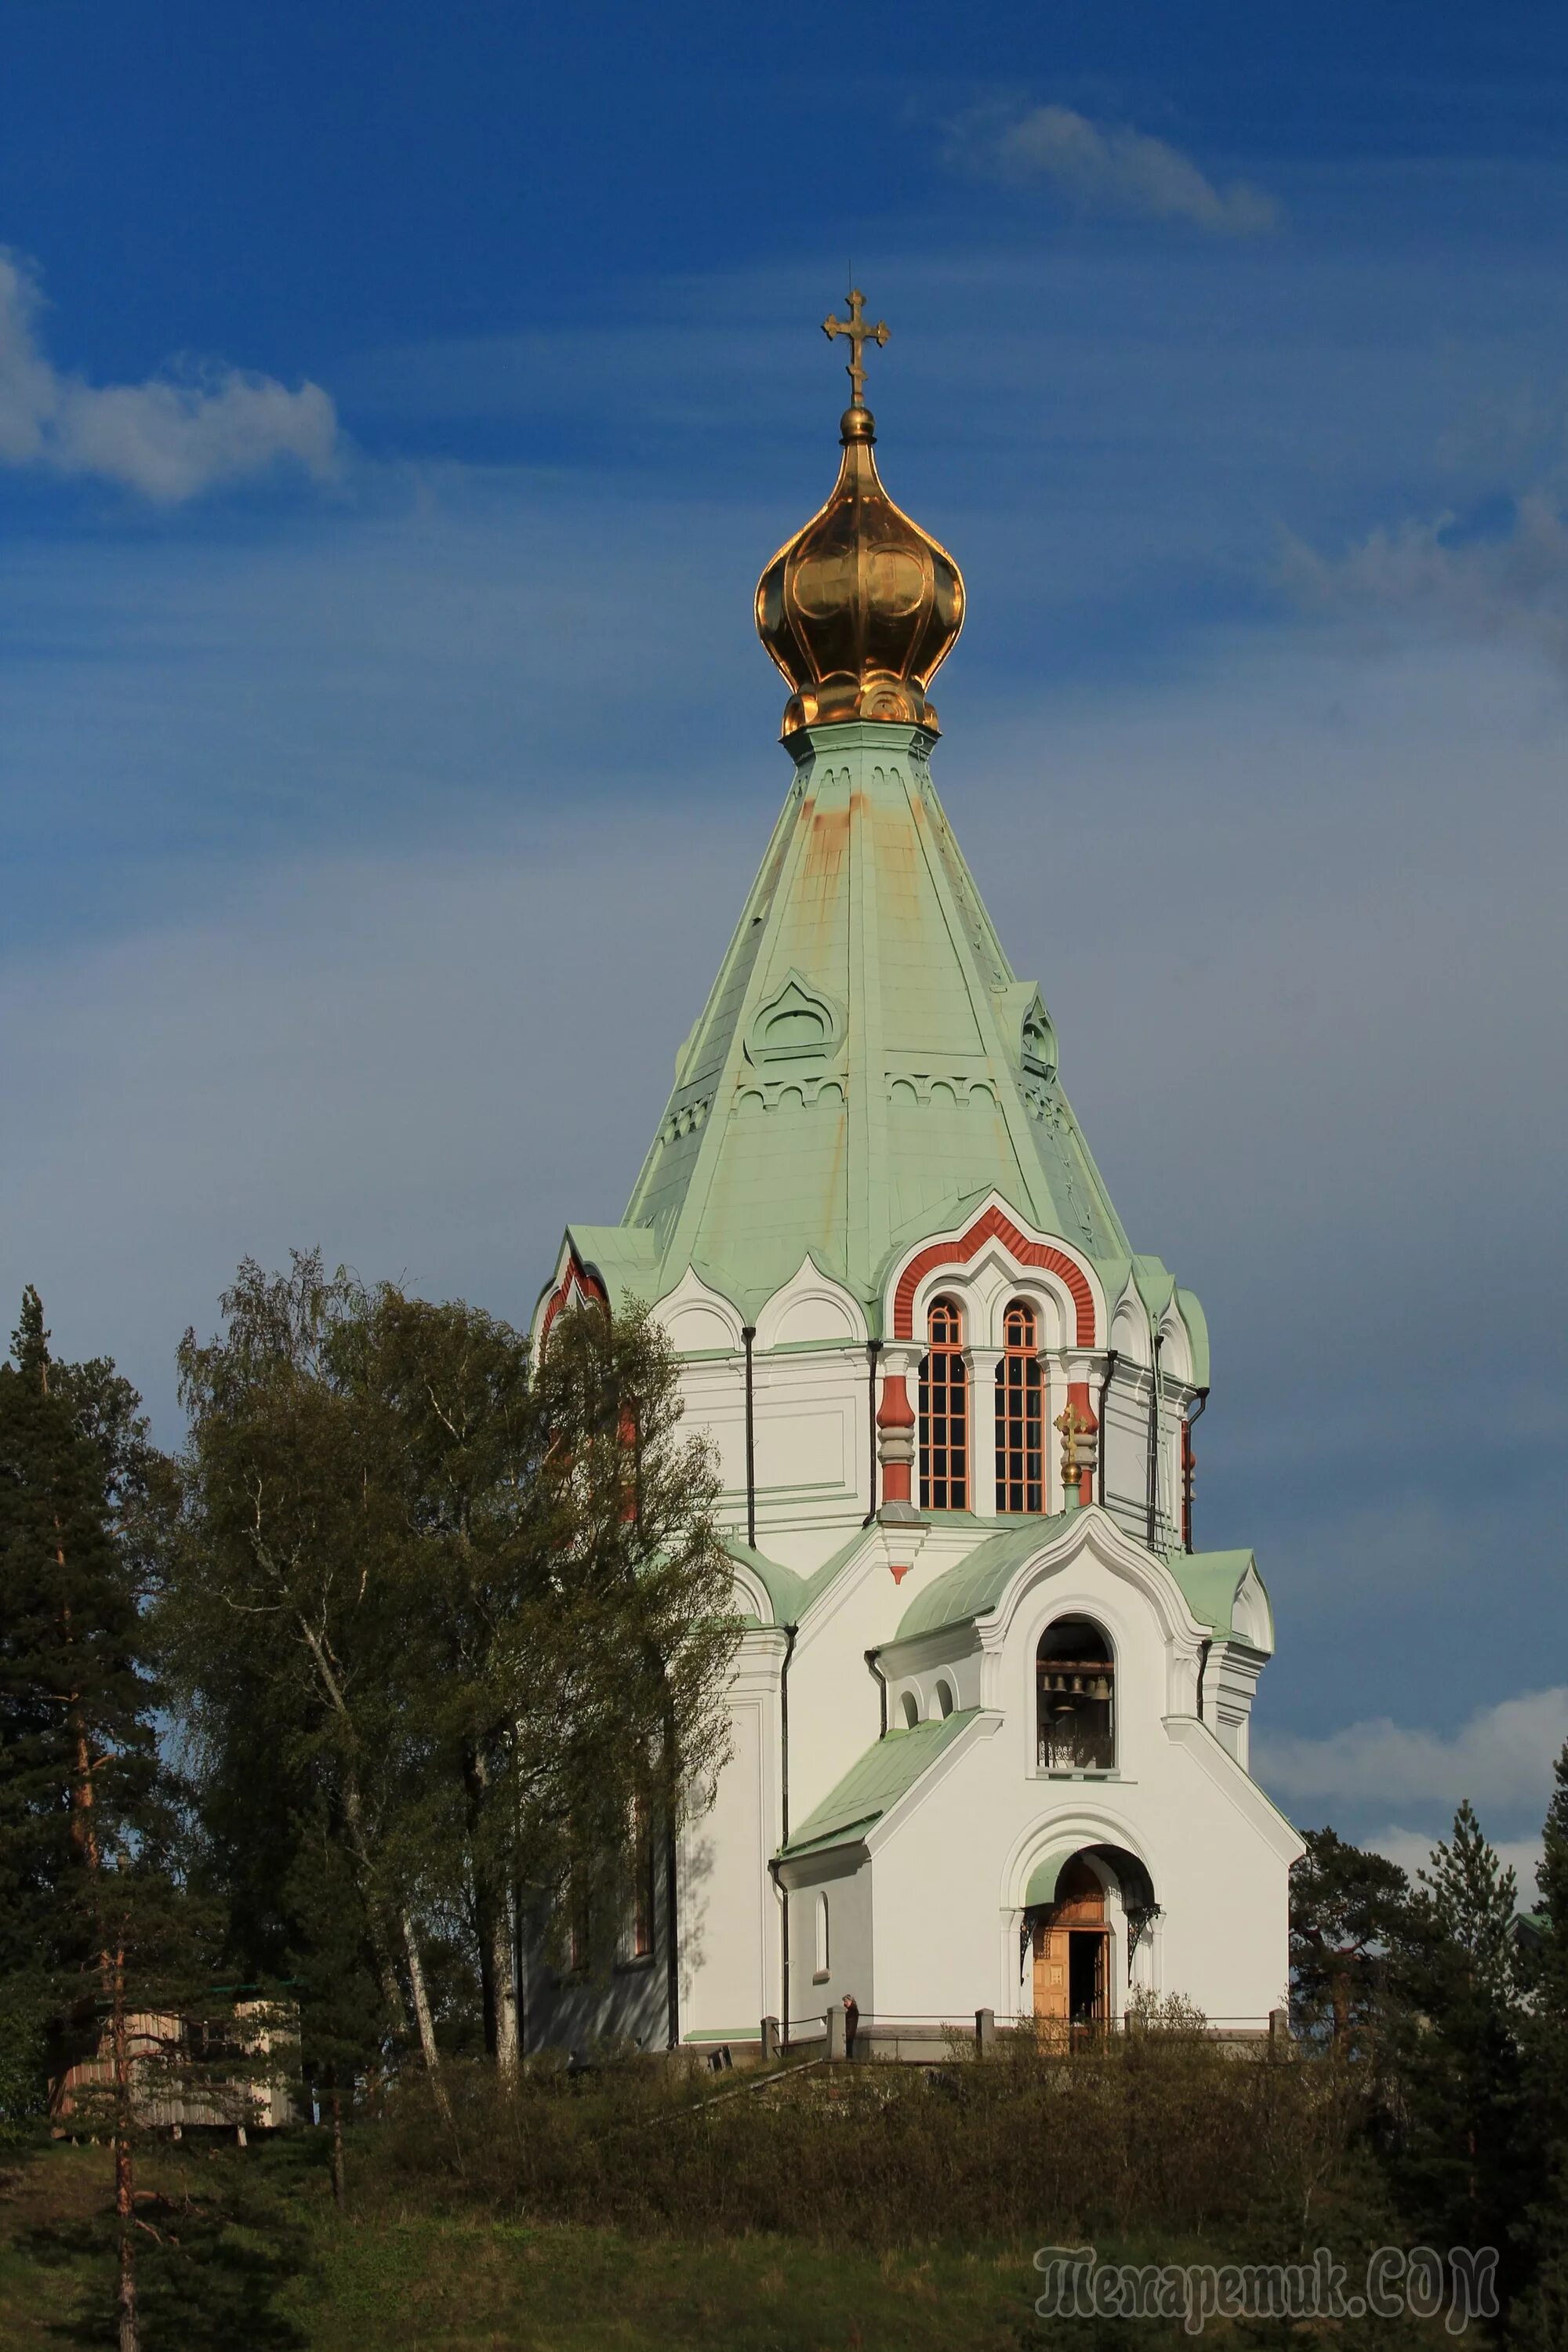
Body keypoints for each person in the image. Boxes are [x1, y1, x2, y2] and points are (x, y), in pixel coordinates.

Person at [842, 1992, 859, 2056]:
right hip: (850, 2032)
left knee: (849, 2050)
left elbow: (850, 2023)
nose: (845, 2004)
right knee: (849, 2050)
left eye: (846, 2002)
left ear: (850, 2001)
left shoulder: (852, 2011)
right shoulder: (852, 2010)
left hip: (849, 2033)